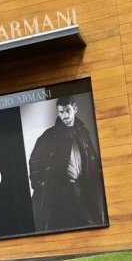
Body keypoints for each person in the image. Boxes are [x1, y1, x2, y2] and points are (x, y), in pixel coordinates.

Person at [28, 95, 105, 232]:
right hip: (60, 190)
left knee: (90, 223)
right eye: (61, 112)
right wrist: (38, 183)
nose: (65, 115)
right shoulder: (50, 135)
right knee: (63, 225)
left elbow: (92, 157)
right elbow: (35, 159)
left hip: (82, 187)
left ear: (75, 109)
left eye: (68, 111)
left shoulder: (83, 132)